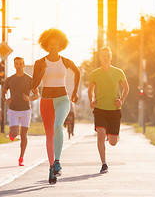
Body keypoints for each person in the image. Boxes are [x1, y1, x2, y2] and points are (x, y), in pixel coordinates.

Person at [32, 28, 80, 185]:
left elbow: (77, 72)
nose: (53, 47)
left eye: (56, 44)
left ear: (61, 45)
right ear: (46, 45)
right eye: (50, 45)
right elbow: (34, 84)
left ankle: (57, 161)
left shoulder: (65, 61)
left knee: (58, 125)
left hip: (62, 99)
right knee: (49, 135)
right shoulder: (40, 63)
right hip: (46, 100)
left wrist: (74, 92)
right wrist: (42, 72)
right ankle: (52, 167)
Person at [88, 46, 129, 174]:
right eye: (103, 56)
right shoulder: (95, 73)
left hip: (114, 110)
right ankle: (104, 163)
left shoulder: (118, 72)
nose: (105, 58)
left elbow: (126, 88)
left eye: (107, 56)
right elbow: (90, 90)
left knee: (112, 142)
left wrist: (121, 100)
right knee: (100, 135)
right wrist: (92, 101)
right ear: (100, 58)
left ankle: (111, 133)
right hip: (100, 109)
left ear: (110, 57)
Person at [2, 57, 39, 166]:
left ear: (23, 65)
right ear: (14, 65)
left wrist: (29, 99)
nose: (18, 65)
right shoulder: (10, 79)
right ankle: (11, 134)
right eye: (16, 64)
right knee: (15, 133)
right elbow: (3, 92)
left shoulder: (30, 79)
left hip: (26, 110)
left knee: (24, 135)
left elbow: (36, 94)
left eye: (20, 64)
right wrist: (6, 99)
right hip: (13, 110)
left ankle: (21, 157)